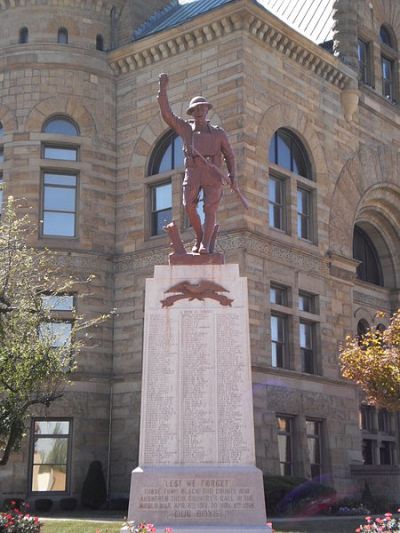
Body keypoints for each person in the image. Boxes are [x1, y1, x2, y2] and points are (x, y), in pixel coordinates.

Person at [158, 73, 237, 254]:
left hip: (213, 173)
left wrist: (233, 176)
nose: (200, 111)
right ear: (192, 113)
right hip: (193, 171)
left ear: (207, 110)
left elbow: (230, 155)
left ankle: (205, 244)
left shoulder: (218, 133)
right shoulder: (186, 129)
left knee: (210, 208)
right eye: (196, 109)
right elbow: (167, 114)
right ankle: (201, 236)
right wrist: (162, 89)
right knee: (189, 205)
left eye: (202, 108)